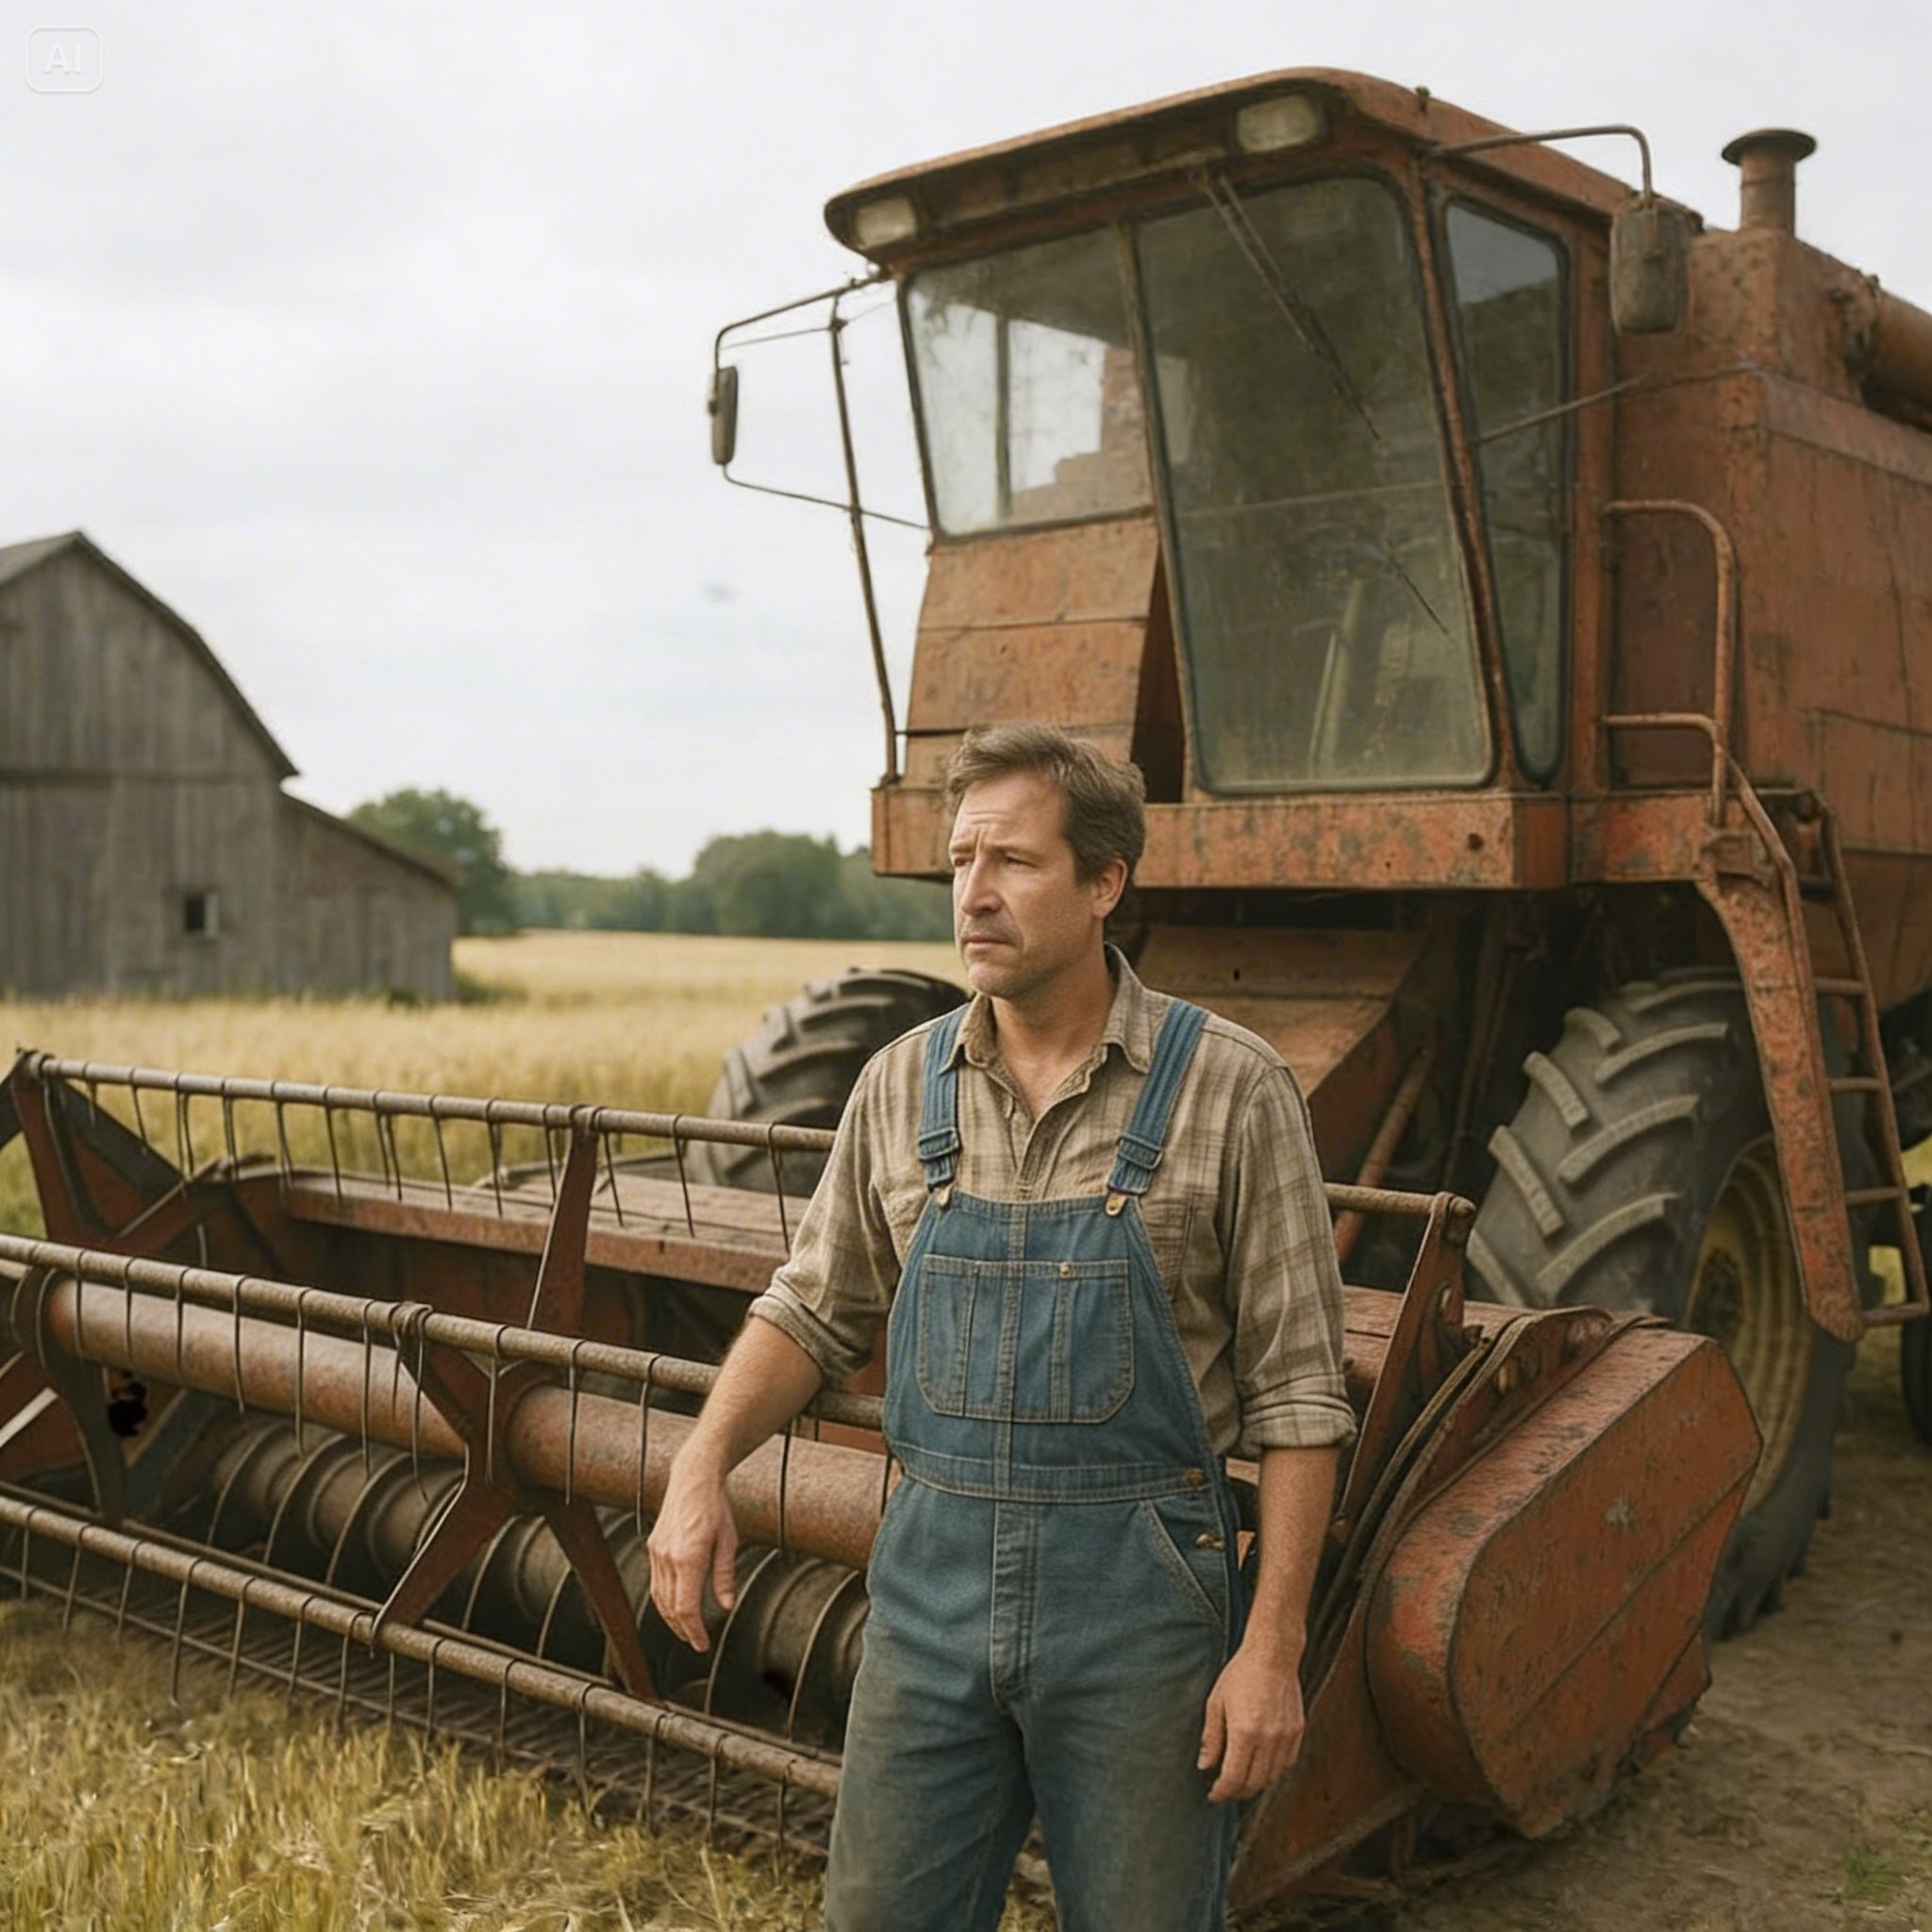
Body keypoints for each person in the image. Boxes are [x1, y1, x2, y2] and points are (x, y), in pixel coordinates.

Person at [648, 724, 1356, 1932]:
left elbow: (1298, 1396)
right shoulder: (897, 1084)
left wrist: (1271, 1646)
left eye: (1014, 860)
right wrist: (700, 1461)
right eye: (961, 859)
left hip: (1140, 1616)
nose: (973, 892)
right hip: (926, 1601)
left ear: (1104, 881)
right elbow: (811, 1307)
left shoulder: (1232, 1087)